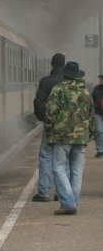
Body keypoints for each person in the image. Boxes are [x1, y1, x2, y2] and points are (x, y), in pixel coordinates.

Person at [44, 60, 95, 215]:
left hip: (61, 137)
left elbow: (50, 113)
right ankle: (73, 202)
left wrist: (49, 132)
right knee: (77, 170)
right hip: (80, 138)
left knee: (59, 168)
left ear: (65, 75)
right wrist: (88, 136)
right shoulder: (86, 92)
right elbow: (91, 116)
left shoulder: (58, 89)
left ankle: (68, 203)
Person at [31, 52, 66, 202]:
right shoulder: (68, 81)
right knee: (64, 159)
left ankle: (44, 193)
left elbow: (38, 104)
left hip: (50, 126)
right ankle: (61, 192)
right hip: (67, 127)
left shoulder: (46, 81)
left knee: (46, 157)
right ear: (63, 65)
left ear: (52, 64)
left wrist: (45, 120)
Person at [91, 74, 103, 158]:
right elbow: (94, 99)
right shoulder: (96, 89)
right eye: (100, 79)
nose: (100, 80)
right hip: (98, 113)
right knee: (99, 131)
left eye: (102, 79)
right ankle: (100, 150)